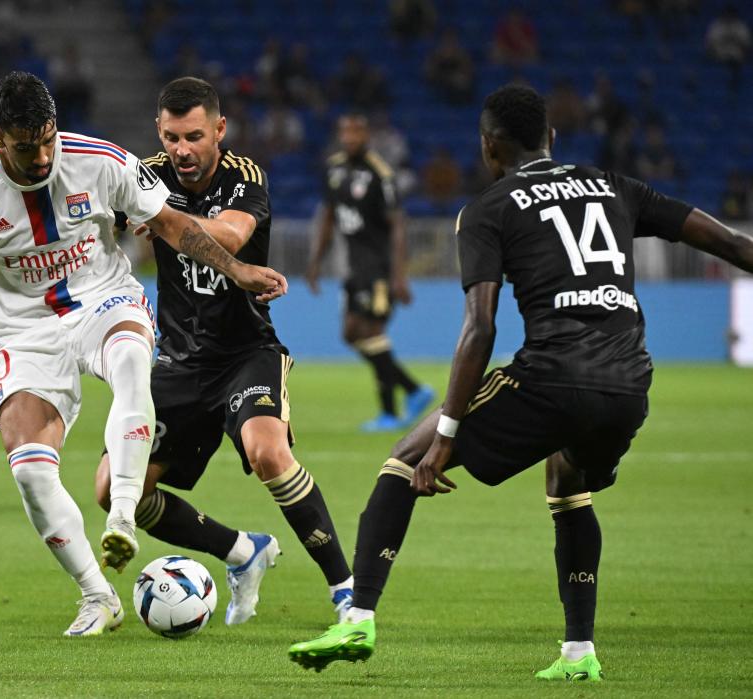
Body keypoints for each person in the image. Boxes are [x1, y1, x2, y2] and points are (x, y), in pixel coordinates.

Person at [288, 84, 753, 679]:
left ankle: (356, 619)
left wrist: (446, 435)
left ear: (489, 149)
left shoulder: (488, 208)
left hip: (551, 379)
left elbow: (480, 328)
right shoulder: (614, 186)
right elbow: (730, 243)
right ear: (551, 139)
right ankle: (579, 654)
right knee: (568, 476)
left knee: (405, 460)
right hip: (630, 385)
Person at [0, 71, 286, 637]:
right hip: (24, 329)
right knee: (30, 470)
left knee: (132, 363)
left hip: (104, 299)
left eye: (48, 138)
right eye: (26, 146)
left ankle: (125, 514)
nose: (41, 157)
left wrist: (238, 268)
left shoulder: (100, 160)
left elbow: (172, 225)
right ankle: (97, 595)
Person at [94, 77, 355, 626]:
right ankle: (243, 551)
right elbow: (95, 227)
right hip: (178, 360)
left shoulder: (244, 178)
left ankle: (346, 591)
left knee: (267, 451)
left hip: (245, 353)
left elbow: (231, 239)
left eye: (193, 136)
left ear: (219, 129)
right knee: (113, 490)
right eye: (170, 137)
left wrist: (159, 222)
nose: (181, 150)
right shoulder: (145, 176)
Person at [306, 113, 433, 432]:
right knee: (351, 334)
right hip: (353, 267)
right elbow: (329, 218)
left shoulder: (380, 174)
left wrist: (399, 276)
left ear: (367, 135)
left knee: (371, 331)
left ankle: (390, 412)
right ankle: (414, 390)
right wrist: (315, 262)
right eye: (345, 132)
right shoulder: (333, 169)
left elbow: (398, 226)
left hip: (378, 267)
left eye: (357, 132)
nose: (351, 138)